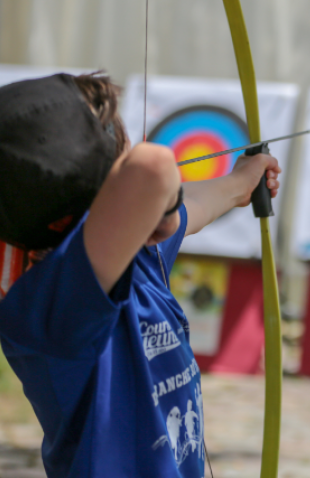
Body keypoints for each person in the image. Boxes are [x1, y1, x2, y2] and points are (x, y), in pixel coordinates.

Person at [0, 72, 281, 477]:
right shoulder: (54, 305)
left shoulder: (131, 253)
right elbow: (152, 168)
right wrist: (160, 210)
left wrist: (241, 181)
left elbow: (194, 203)